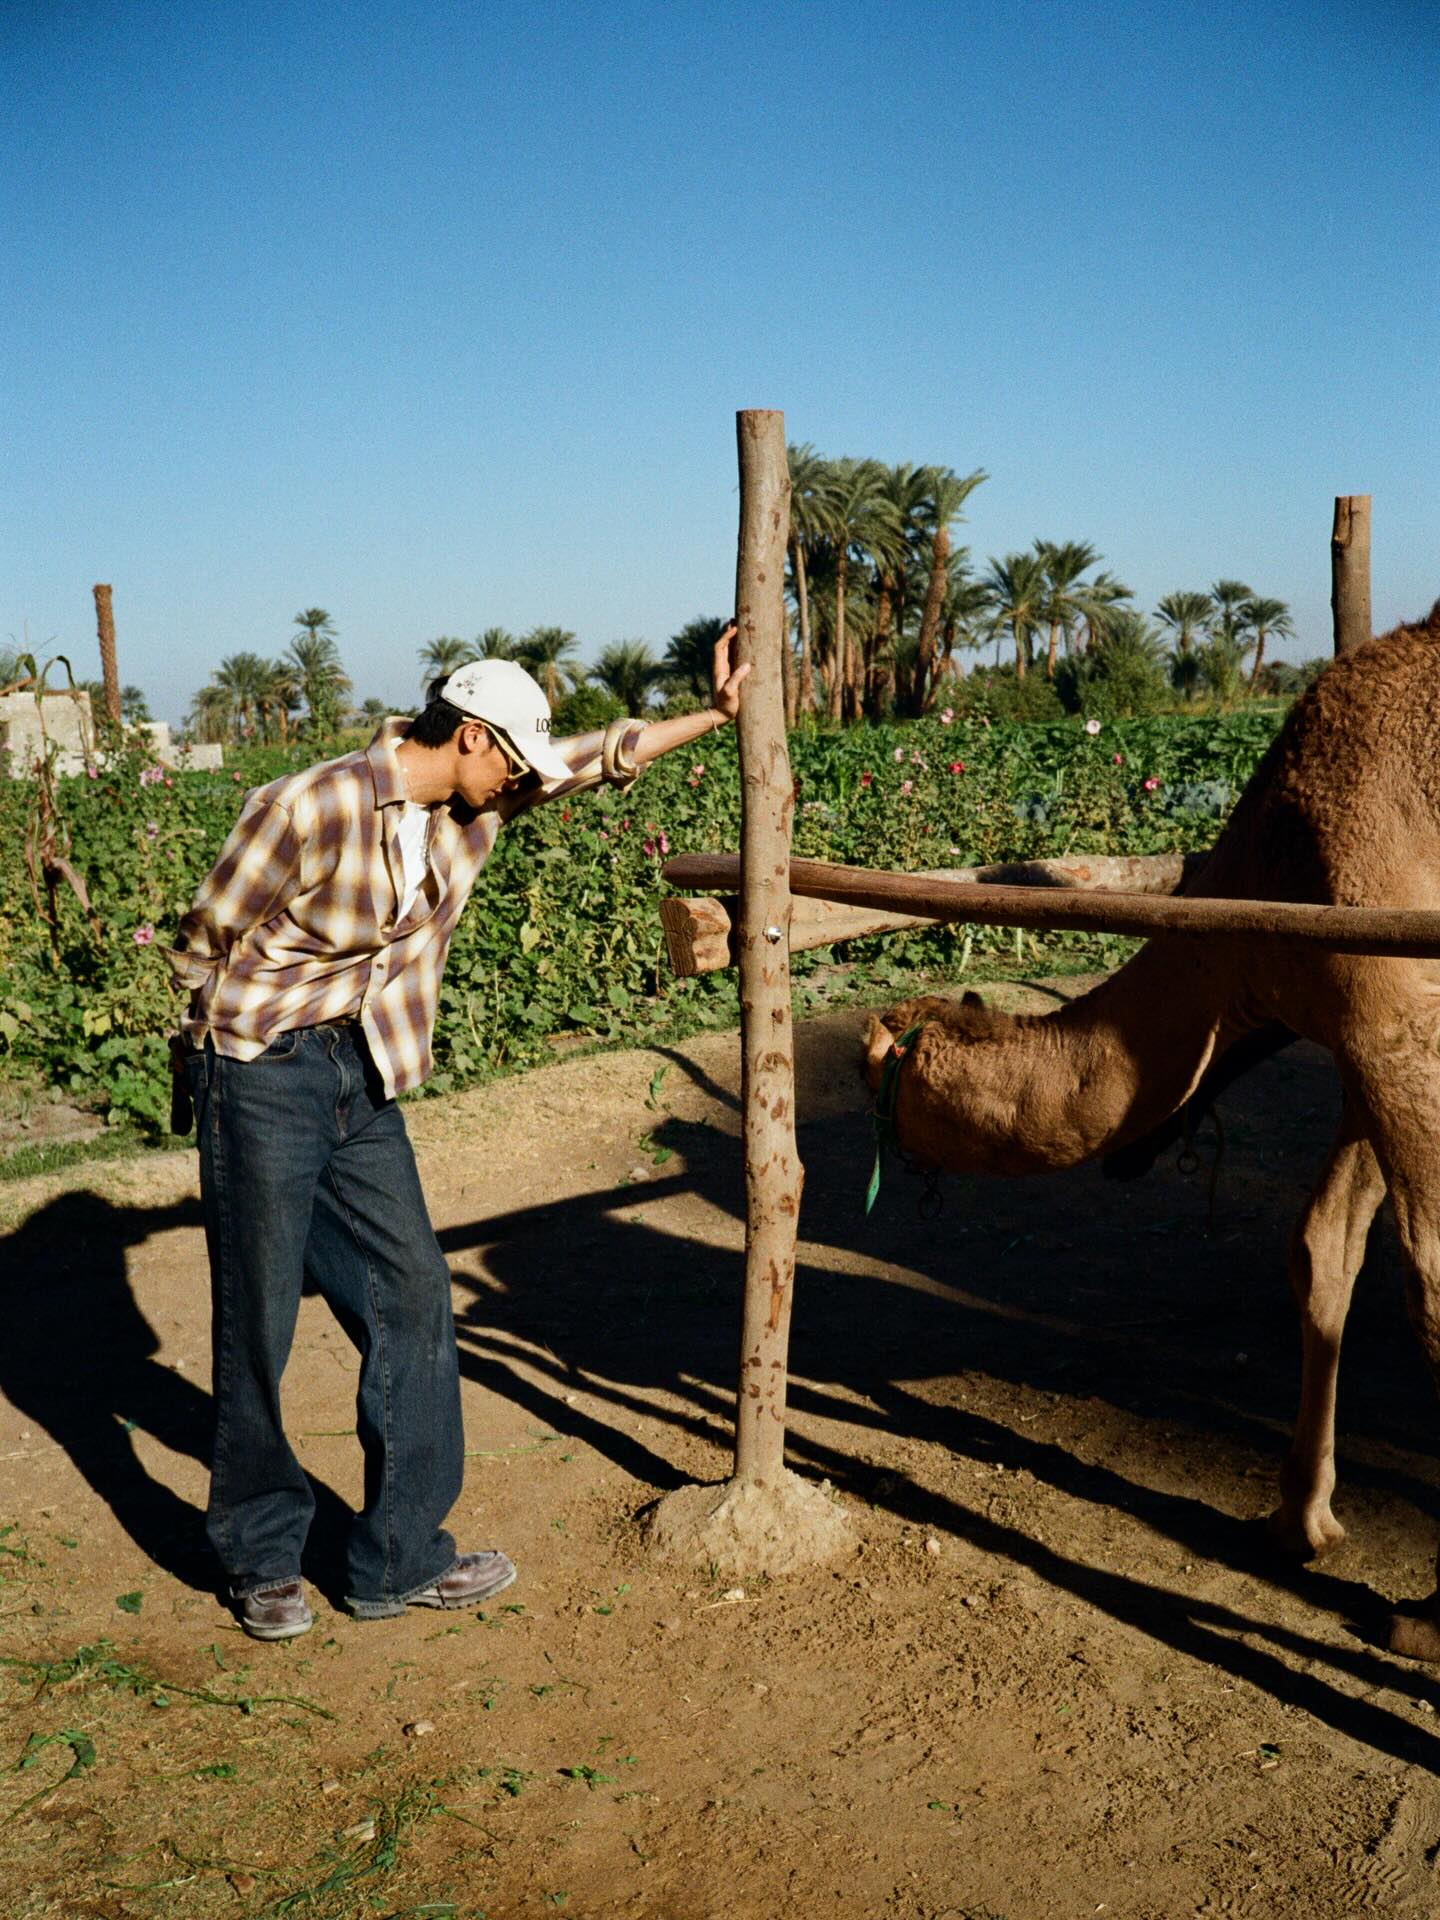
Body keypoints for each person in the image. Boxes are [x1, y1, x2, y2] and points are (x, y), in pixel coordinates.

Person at [168, 630, 747, 1639]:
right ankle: (260, 1556)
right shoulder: (307, 805)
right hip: (261, 1072)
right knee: (257, 1317)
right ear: (473, 736)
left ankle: (397, 1559)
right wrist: (224, 1059)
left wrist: (718, 714)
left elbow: (598, 757)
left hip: (364, 1072)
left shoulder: (472, 805)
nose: (523, 781)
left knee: (412, 1294)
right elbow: (204, 940)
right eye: (513, 760)